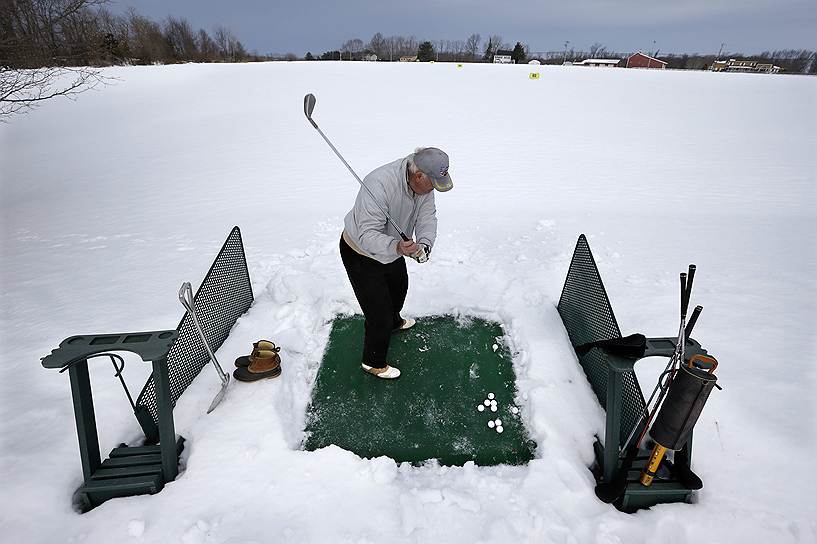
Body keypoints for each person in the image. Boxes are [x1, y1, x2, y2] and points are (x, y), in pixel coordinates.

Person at [339, 147, 453, 379]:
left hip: (392, 251)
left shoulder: (423, 185)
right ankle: (372, 362)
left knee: (399, 289)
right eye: (433, 182)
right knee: (377, 313)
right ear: (419, 176)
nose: (434, 188)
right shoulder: (378, 185)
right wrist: (397, 247)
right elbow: (366, 235)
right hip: (361, 252)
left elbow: (427, 217)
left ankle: (394, 321)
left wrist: (424, 244)